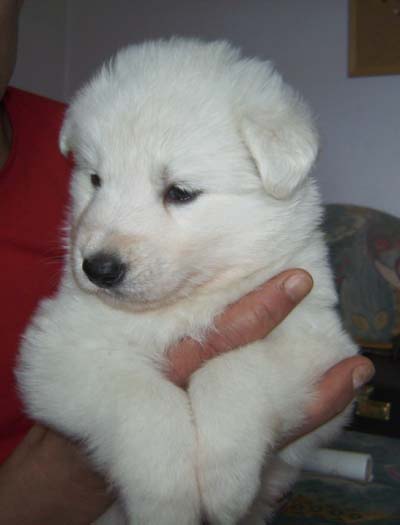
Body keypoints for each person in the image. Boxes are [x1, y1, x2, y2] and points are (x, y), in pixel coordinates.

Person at [0, 1, 375, 523]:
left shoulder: (288, 266)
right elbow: (56, 365)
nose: (99, 248)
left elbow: (320, 364)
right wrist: (143, 426)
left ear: (275, 171)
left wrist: (240, 394)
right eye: (97, 180)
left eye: (179, 192)